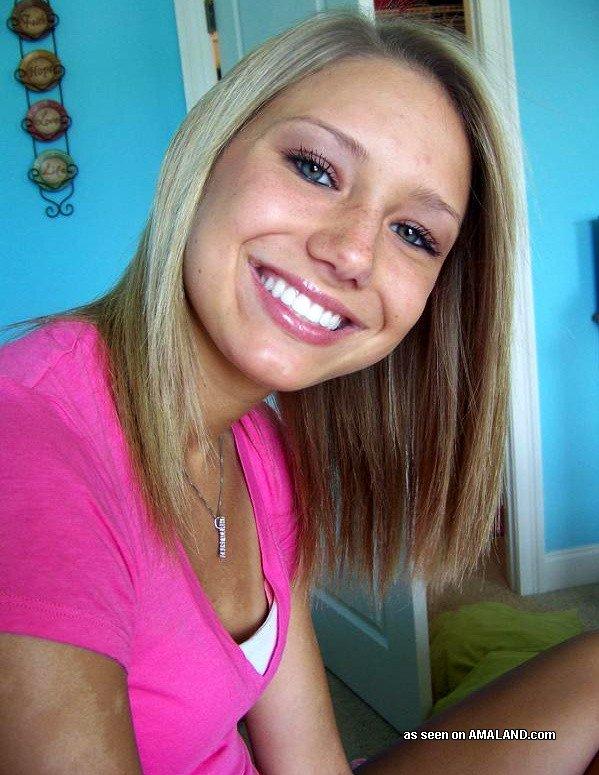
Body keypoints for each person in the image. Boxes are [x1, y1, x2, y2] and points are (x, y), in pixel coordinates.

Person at [1, 8, 598, 774]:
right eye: (314, 168)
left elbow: (310, 758)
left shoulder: (260, 451)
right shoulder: (28, 450)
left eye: (413, 234)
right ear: (208, 151)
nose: (352, 252)